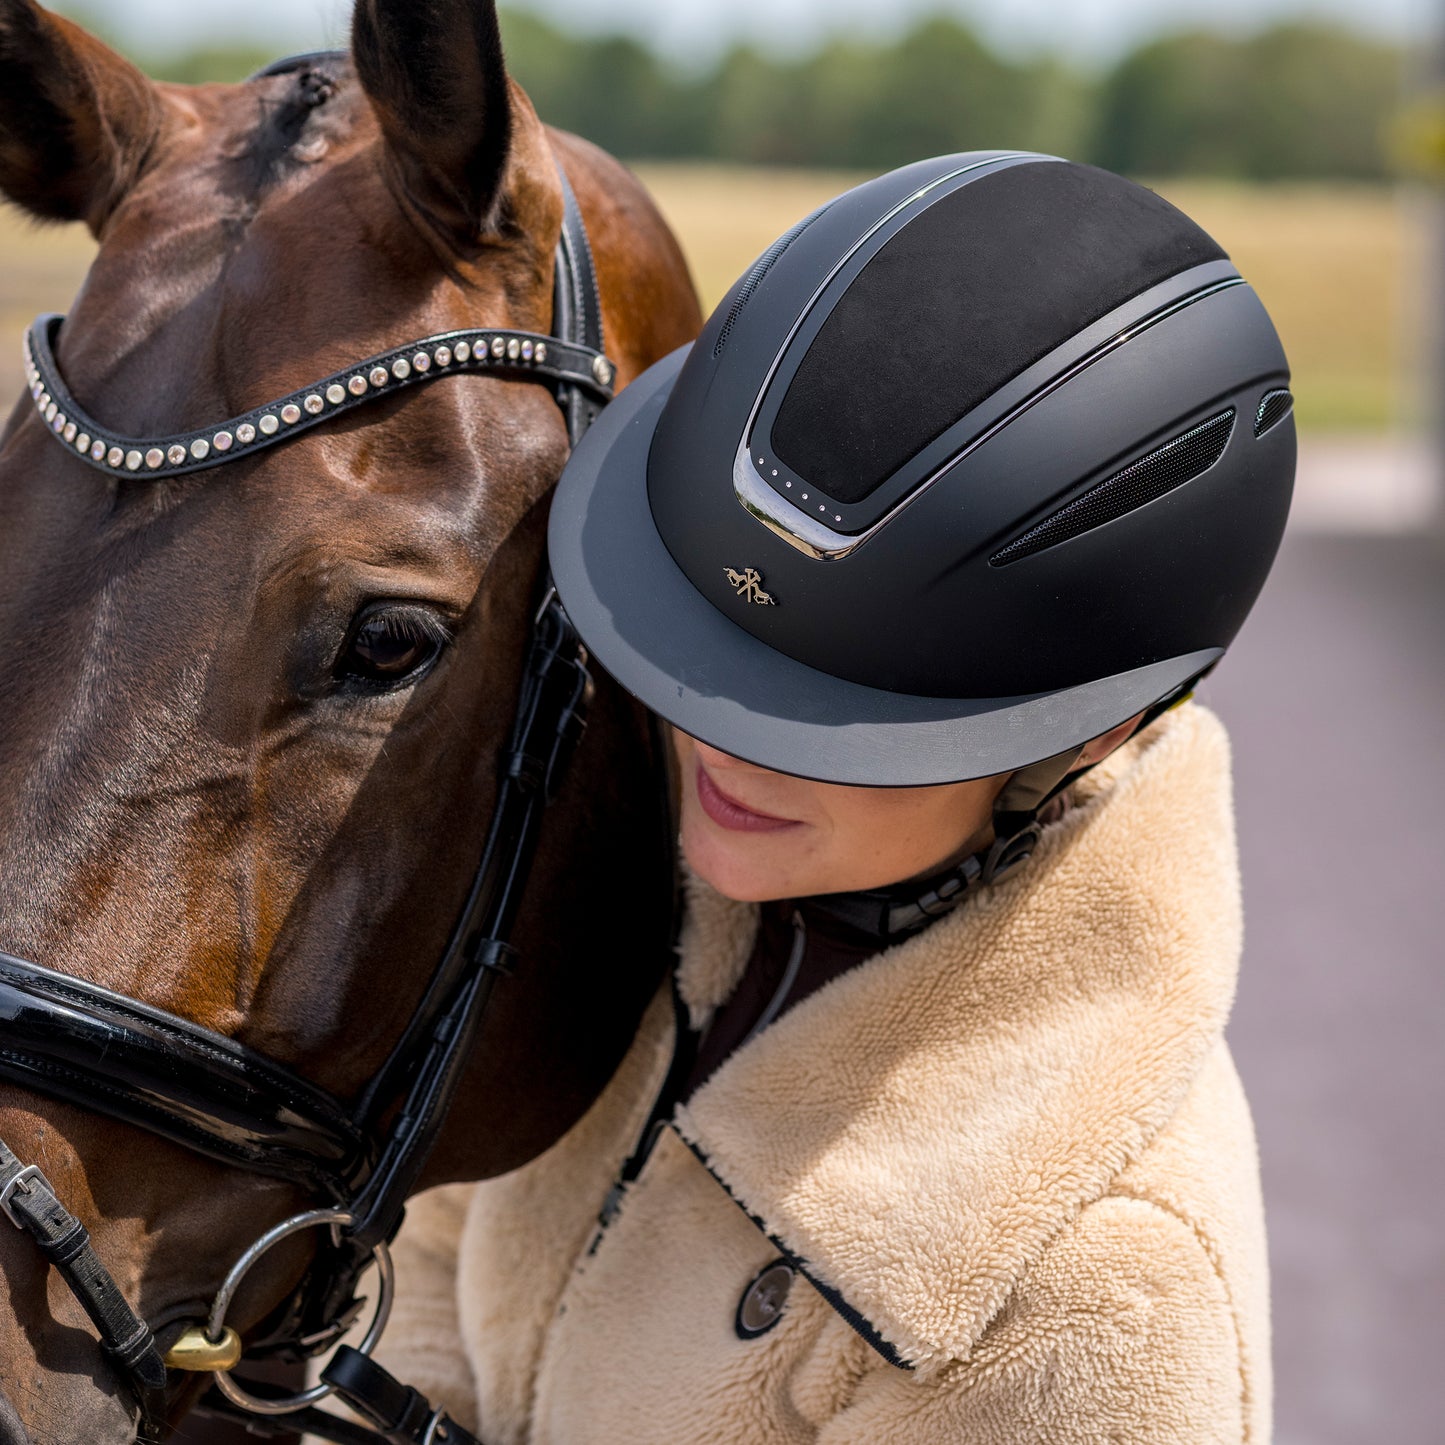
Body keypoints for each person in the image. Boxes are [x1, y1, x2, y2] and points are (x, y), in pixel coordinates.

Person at [371, 152, 1294, 1443]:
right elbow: (445, 1220)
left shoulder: (1095, 1294)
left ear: (1094, 726)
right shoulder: (655, 892)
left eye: (834, 716)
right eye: (704, 649)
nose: (726, 747)